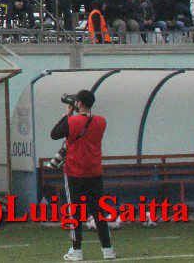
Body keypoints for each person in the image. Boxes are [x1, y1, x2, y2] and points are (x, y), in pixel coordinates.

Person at [50, 90, 115, 261]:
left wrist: (66, 114)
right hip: (94, 172)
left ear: (78, 103)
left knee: (75, 212)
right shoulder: (101, 122)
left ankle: (77, 250)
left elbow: (54, 134)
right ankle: (107, 249)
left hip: (74, 172)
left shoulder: (72, 122)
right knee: (98, 211)